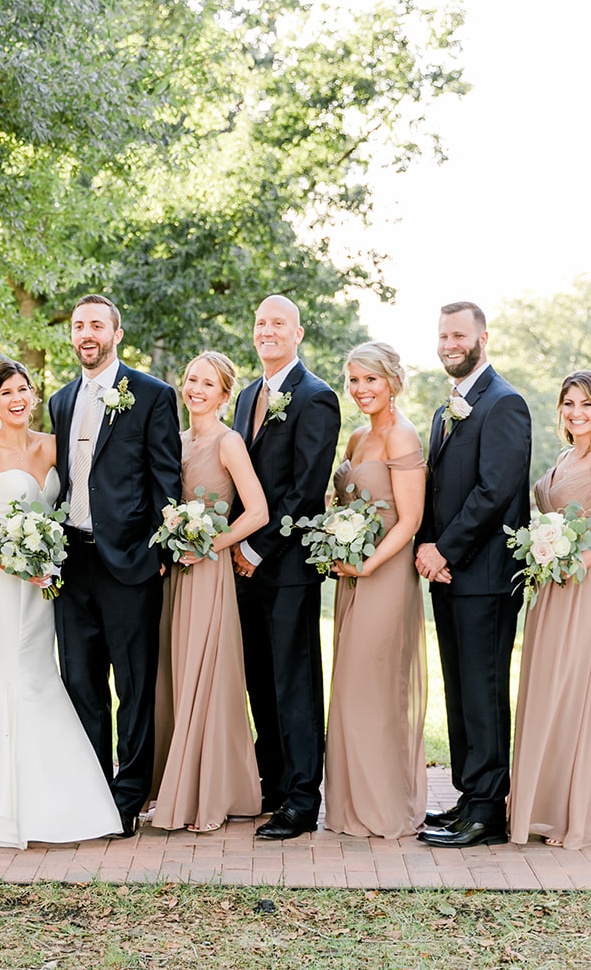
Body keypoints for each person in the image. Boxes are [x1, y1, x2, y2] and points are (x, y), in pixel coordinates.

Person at [0, 359, 122, 847]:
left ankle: (58, 800)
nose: (17, 398)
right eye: (5, 393)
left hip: (45, 583)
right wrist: (15, 559)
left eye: (23, 389)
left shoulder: (53, 447)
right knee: (7, 670)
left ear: (32, 396)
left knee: (41, 672)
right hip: (2, 580)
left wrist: (46, 557)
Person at [48, 294, 183, 838]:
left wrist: (157, 556)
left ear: (116, 334)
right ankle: (91, 790)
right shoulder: (59, 401)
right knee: (80, 680)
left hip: (130, 562)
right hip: (71, 560)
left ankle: (128, 797)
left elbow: (165, 481)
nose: (87, 333)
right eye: (79, 325)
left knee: (133, 683)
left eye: (96, 325)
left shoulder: (150, 395)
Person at [415, 301, 532, 849]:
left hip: (484, 575)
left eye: (458, 334)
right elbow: (438, 491)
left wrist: (445, 550)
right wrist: (426, 546)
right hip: (449, 575)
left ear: (485, 337)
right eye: (442, 335)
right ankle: (469, 795)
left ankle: (489, 808)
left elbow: (495, 492)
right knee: (460, 690)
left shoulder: (504, 403)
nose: (448, 344)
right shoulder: (449, 408)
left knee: (483, 690)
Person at [228, 295, 341, 841]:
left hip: (287, 566)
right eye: (260, 323)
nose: (266, 331)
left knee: (294, 683)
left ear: (297, 333)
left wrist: (258, 547)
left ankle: (301, 800)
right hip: (242, 567)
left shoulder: (317, 397)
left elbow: (304, 489)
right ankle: (272, 782)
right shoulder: (248, 395)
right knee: (259, 679)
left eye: (277, 323)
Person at [508, 371, 591, 849]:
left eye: (586, 404)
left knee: (572, 693)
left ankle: (570, 817)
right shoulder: (564, 456)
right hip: (550, 589)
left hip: (582, 589)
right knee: (545, 692)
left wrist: (571, 562)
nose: (576, 412)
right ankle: (537, 806)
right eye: (568, 403)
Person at [149, 352, 268, 833]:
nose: (196, 388)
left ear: (224, 395)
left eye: (208, 383)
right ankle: (173, 784)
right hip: (175, 573)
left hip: (207, 570)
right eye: (192, 379)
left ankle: (207, 793)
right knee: (175, 675)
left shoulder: (229, 441)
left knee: (204, 673)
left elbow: (257, 511)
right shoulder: (175, 441)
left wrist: (208, 546)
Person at [322, 342, 428, 839]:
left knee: (372, 687)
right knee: (348, 687)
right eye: (354, 380)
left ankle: (383, 806)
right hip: (353, 574)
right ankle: (349, 806)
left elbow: (409, 521)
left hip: (384, 573)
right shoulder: (356, 438)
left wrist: (367, 563)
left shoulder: (402, 436)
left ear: (392, 381)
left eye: (370, 380)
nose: (360, 389)